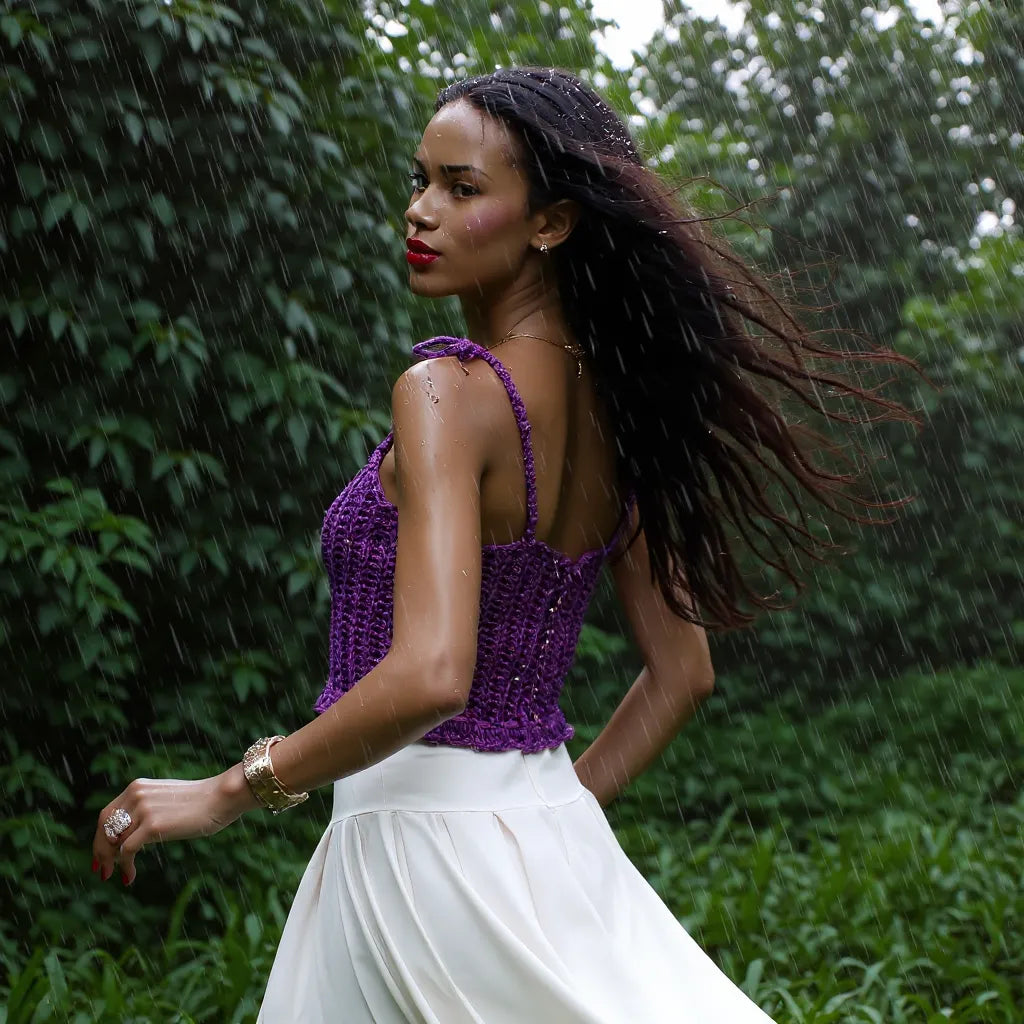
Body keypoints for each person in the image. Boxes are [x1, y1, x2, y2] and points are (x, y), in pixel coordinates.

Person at [91, 66, 920, 1021]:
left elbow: (434, 672)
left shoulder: (444, 393)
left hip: (410, 855)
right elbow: (683, 671)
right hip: (529, 843)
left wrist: (234, 788)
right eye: (420, 179)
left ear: (552, 223)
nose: (421, 212)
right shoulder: (621, 407)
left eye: (463, 188)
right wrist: (542, 826)